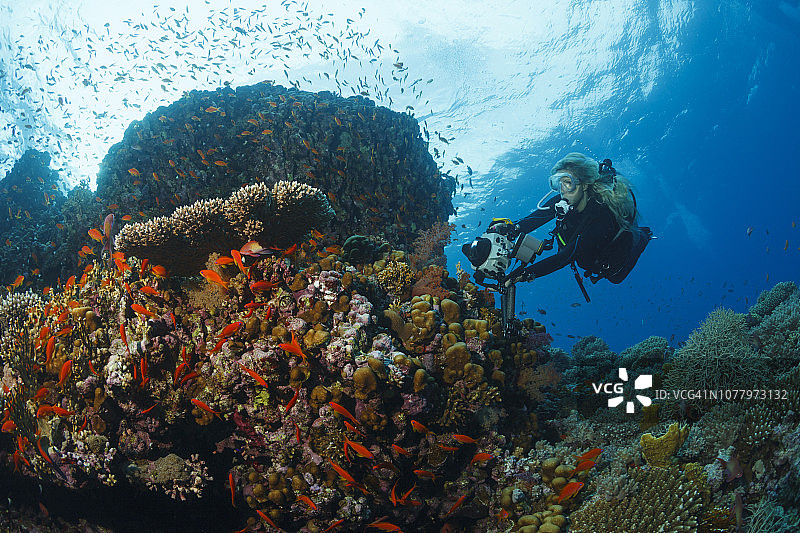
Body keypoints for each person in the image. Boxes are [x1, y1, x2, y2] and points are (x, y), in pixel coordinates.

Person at [504, 153, 651, 299]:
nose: (562, 190)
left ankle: (643, 236)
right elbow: (534, 219)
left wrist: (522, 275)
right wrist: (507, 228)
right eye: (558, 183)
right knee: (583, 261)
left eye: (568, 183)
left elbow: (564, 257)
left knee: (616, 277)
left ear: (585, 184)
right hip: (583, 256)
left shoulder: (602, 217)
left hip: (609, 263)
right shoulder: (565, 199)